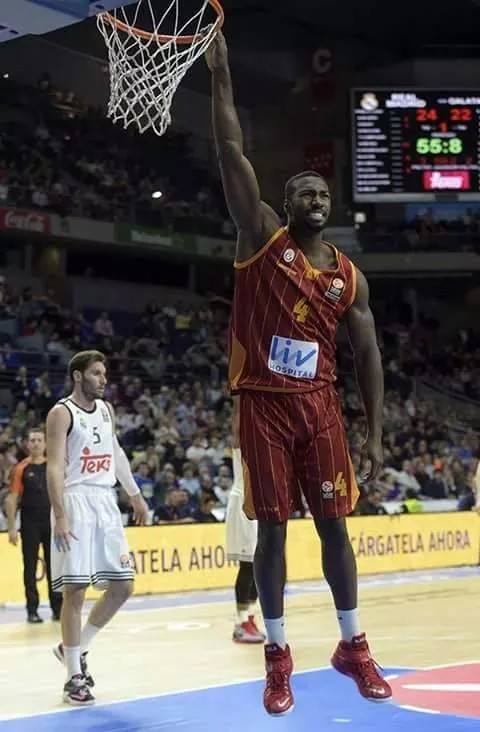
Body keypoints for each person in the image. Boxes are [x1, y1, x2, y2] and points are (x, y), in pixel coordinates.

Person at [206, 31, 392, 716]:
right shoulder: (260, 238)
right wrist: (222, 73)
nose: (315, 198)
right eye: (303, 192)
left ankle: (353, 644)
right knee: (275, 532)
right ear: (286, 208)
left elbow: (369, 355)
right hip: (262, 403)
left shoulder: (348, 279)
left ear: (330, 208)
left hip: (319, 406)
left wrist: (373, 435)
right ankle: (278, 655)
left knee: (336, 526)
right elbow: (231, 151)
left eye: (322, 193)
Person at [46, 350, 149, 706]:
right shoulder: (61, 413)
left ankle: (73, 648)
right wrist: (59, 513)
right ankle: (74, 676)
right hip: (75, 500)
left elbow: (115, 451)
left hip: (105, 502)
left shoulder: (106, 410)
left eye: (104, 373)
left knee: (123, 586)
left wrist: (135, 495)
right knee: (74, 591)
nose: (103, 379)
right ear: (77, 376)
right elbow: (55, 467)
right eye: (96, 373)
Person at [5, 428, 62, 623]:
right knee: (30, 567)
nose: (36, 443)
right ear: (27, 445)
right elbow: (12, 499)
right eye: (32, 440)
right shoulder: (21, 468)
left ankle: (57, 608)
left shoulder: (54, 466)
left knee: (55, 566)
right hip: (29, 523)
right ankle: (32, 610)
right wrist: (12, 527)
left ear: (46, 444)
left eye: (39, 440)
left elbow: (63, 494)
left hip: (51, 522)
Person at [225, 396, 264, 643]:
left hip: (261, 507)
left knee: (261, 568)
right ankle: (239, 623)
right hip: (242, 504)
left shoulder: (267, 448)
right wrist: (241, 399)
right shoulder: (243, 446)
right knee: (248, 566)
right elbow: (237, 426)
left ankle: (250, 617)